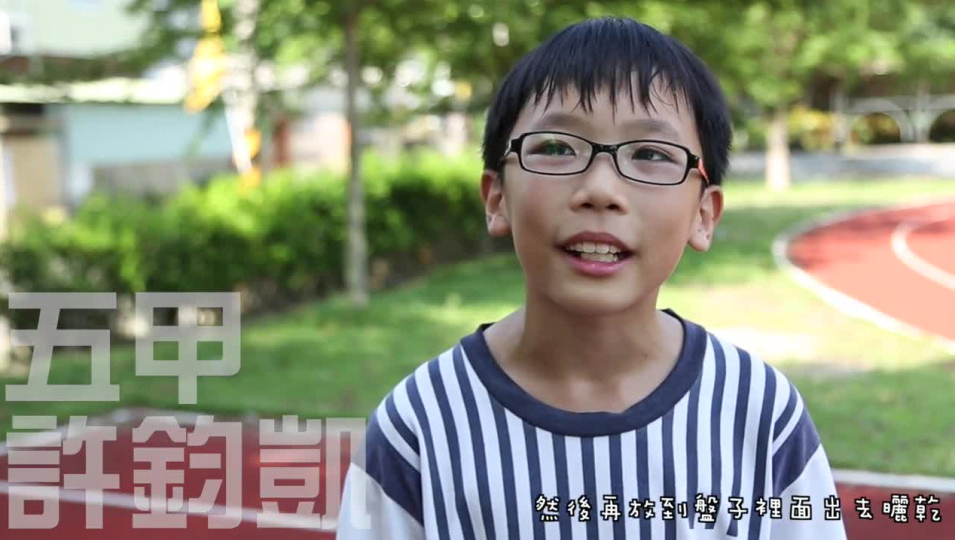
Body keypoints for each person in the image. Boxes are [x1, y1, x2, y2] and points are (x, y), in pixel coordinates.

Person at [337, 16, 846, 539]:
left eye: (651, 154)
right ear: (496, 198)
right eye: (557, 148)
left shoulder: (758, 413)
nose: (600, 189)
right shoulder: (420, 425)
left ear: (703, 214)